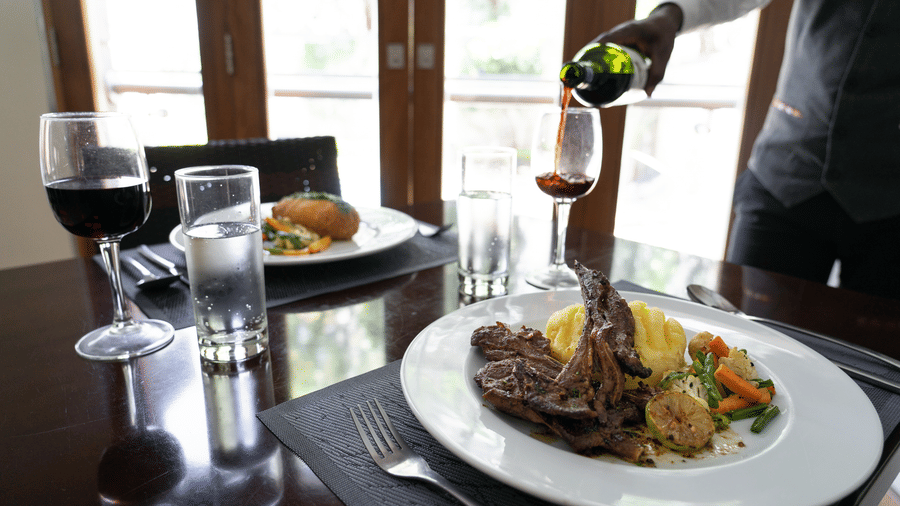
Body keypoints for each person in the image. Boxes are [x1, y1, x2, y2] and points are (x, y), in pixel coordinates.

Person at [593, 0, 900, 300]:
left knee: (877, 347)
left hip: (890, 208)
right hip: (785, 177)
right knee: (744, 337)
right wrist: (673, 14)